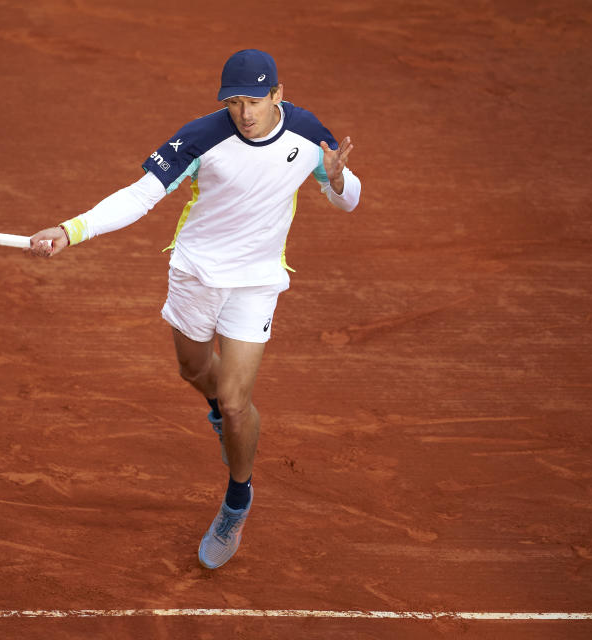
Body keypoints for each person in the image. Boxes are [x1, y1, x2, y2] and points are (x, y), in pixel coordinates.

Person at [28, 49, 361, 569]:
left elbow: (348, 199)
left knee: (235, 401)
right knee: (194, 369)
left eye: (254, 100)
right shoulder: (202, 136)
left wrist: (337, 179)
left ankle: (236, 501)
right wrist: (72, 230)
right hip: (195, 273)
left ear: (278, 94)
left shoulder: (308, 132)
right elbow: (140, 196)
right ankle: (217, 414)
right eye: (234, 102)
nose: (245, 113)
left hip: (256, 282)